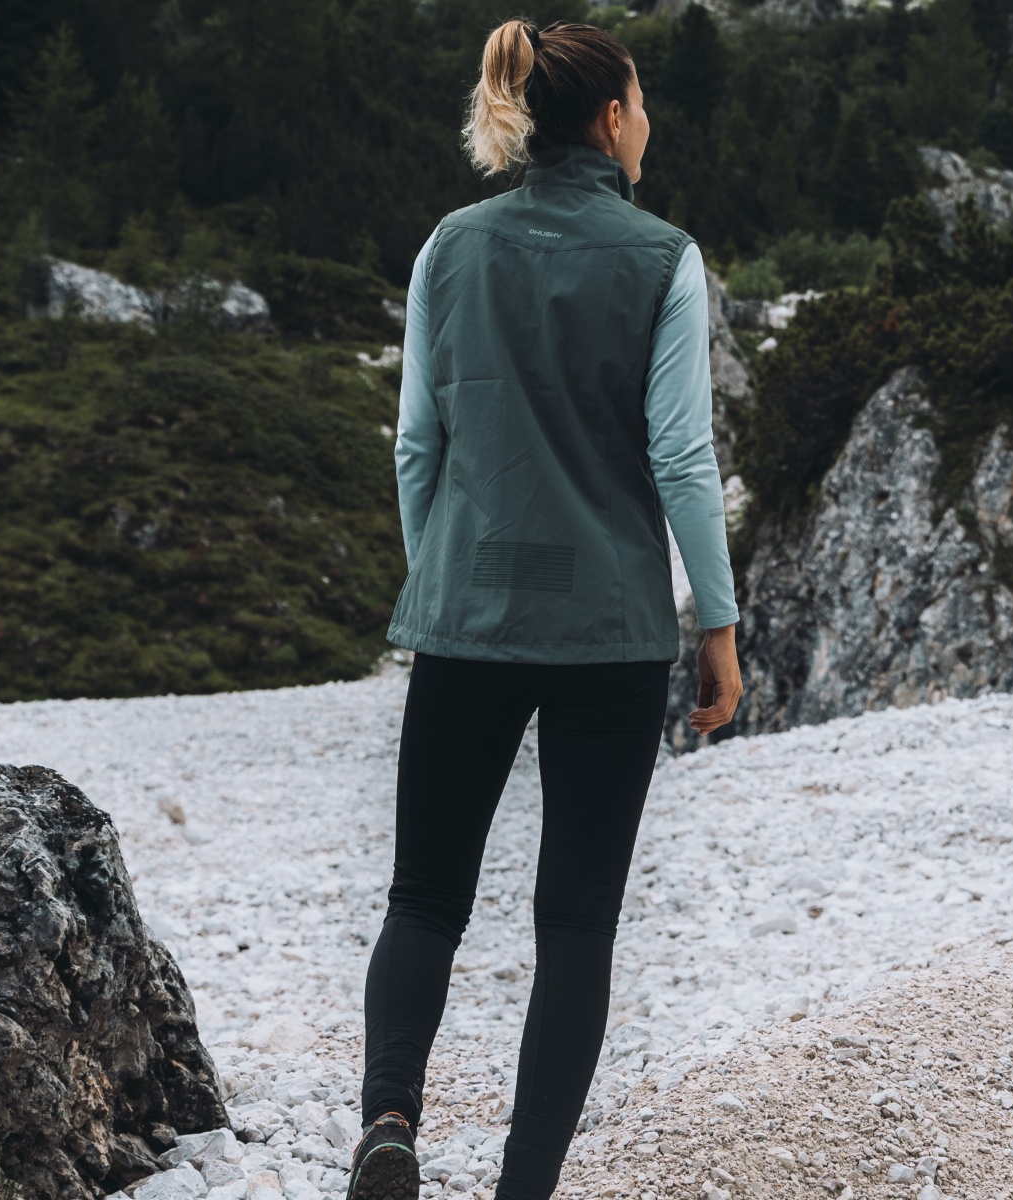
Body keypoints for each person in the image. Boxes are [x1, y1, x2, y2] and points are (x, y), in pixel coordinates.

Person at [347, 17, 743, 1200]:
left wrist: (448, 585)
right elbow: (682, 458)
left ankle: (390, 1126)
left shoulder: (448, 246)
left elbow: (417, 444)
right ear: (612, 120)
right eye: (642, 103)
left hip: (466, 616)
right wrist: (716, 627)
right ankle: (523, 1187)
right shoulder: (665, 259)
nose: (648, 122)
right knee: (574, 929)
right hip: (608, 635)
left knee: (424, 897)